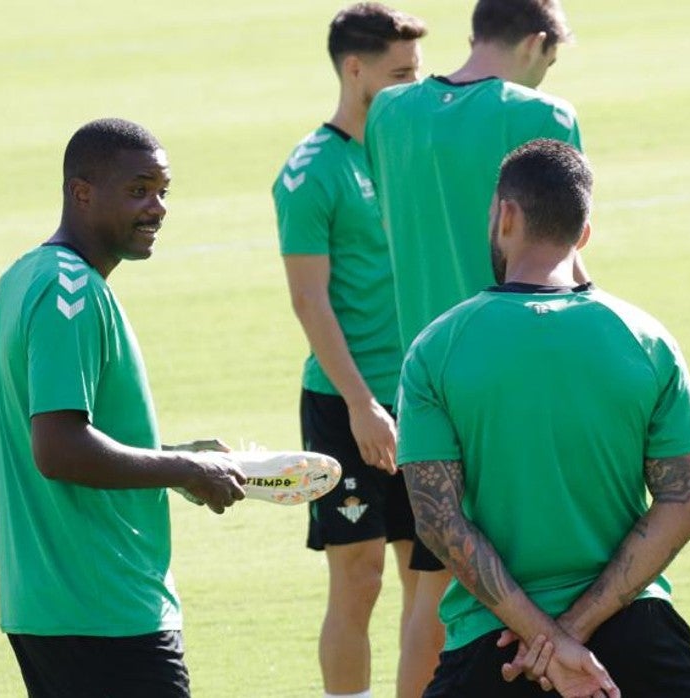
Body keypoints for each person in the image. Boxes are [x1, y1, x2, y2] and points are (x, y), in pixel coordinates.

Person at [398, 139, 690, 697]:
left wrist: (545, 639)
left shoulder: (437, 349)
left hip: (495, 645)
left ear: (506, 216)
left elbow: (438, 522)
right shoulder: (648, 342)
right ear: (584, 233)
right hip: (634, 633)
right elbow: (681, 505)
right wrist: (570, 635)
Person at [363, 0, 584, 691]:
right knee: (548, 581)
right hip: (521, 373)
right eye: (550, 60)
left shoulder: (388, 115)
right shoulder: (543, 118)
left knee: (433, 590)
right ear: (537, 42)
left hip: (424, 382)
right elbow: (568, 253)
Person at [0, 117, 248, 697]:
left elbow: (75, 432)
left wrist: (174, 457)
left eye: (162, 191)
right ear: (82, 193)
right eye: (138, 190)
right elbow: (58, 448)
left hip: (55, 603)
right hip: (103, 605)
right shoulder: (70, 293)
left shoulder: (26, 276)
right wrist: (186, 471)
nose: (157, 207)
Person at [270, 5, 432, 698]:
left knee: (431, 576)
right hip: (345, 401)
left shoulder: (418, 149)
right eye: (400, 74)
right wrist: (362, 405)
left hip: (425, 396)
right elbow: (310, 301)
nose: (412, 87)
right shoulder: (310, 172)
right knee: (359, 574)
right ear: (354, 68)